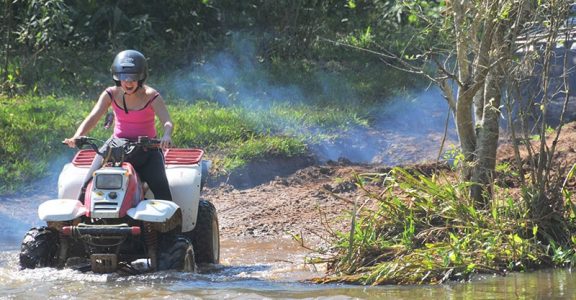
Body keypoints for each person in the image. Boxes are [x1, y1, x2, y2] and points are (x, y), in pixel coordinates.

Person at [64, 49, 173, 201]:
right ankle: (80, 220)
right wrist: (77, 136)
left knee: (163, 194)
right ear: (117, 78)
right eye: (124, 78)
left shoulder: (151, 95)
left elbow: (167, 121)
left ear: (141, 77)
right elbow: (93, 117)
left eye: (133, 78)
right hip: (115, 148)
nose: (128, 82)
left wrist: (166, 135)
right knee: (86, 186)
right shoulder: (111, 93)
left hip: (148, 150)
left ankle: (172, 225)